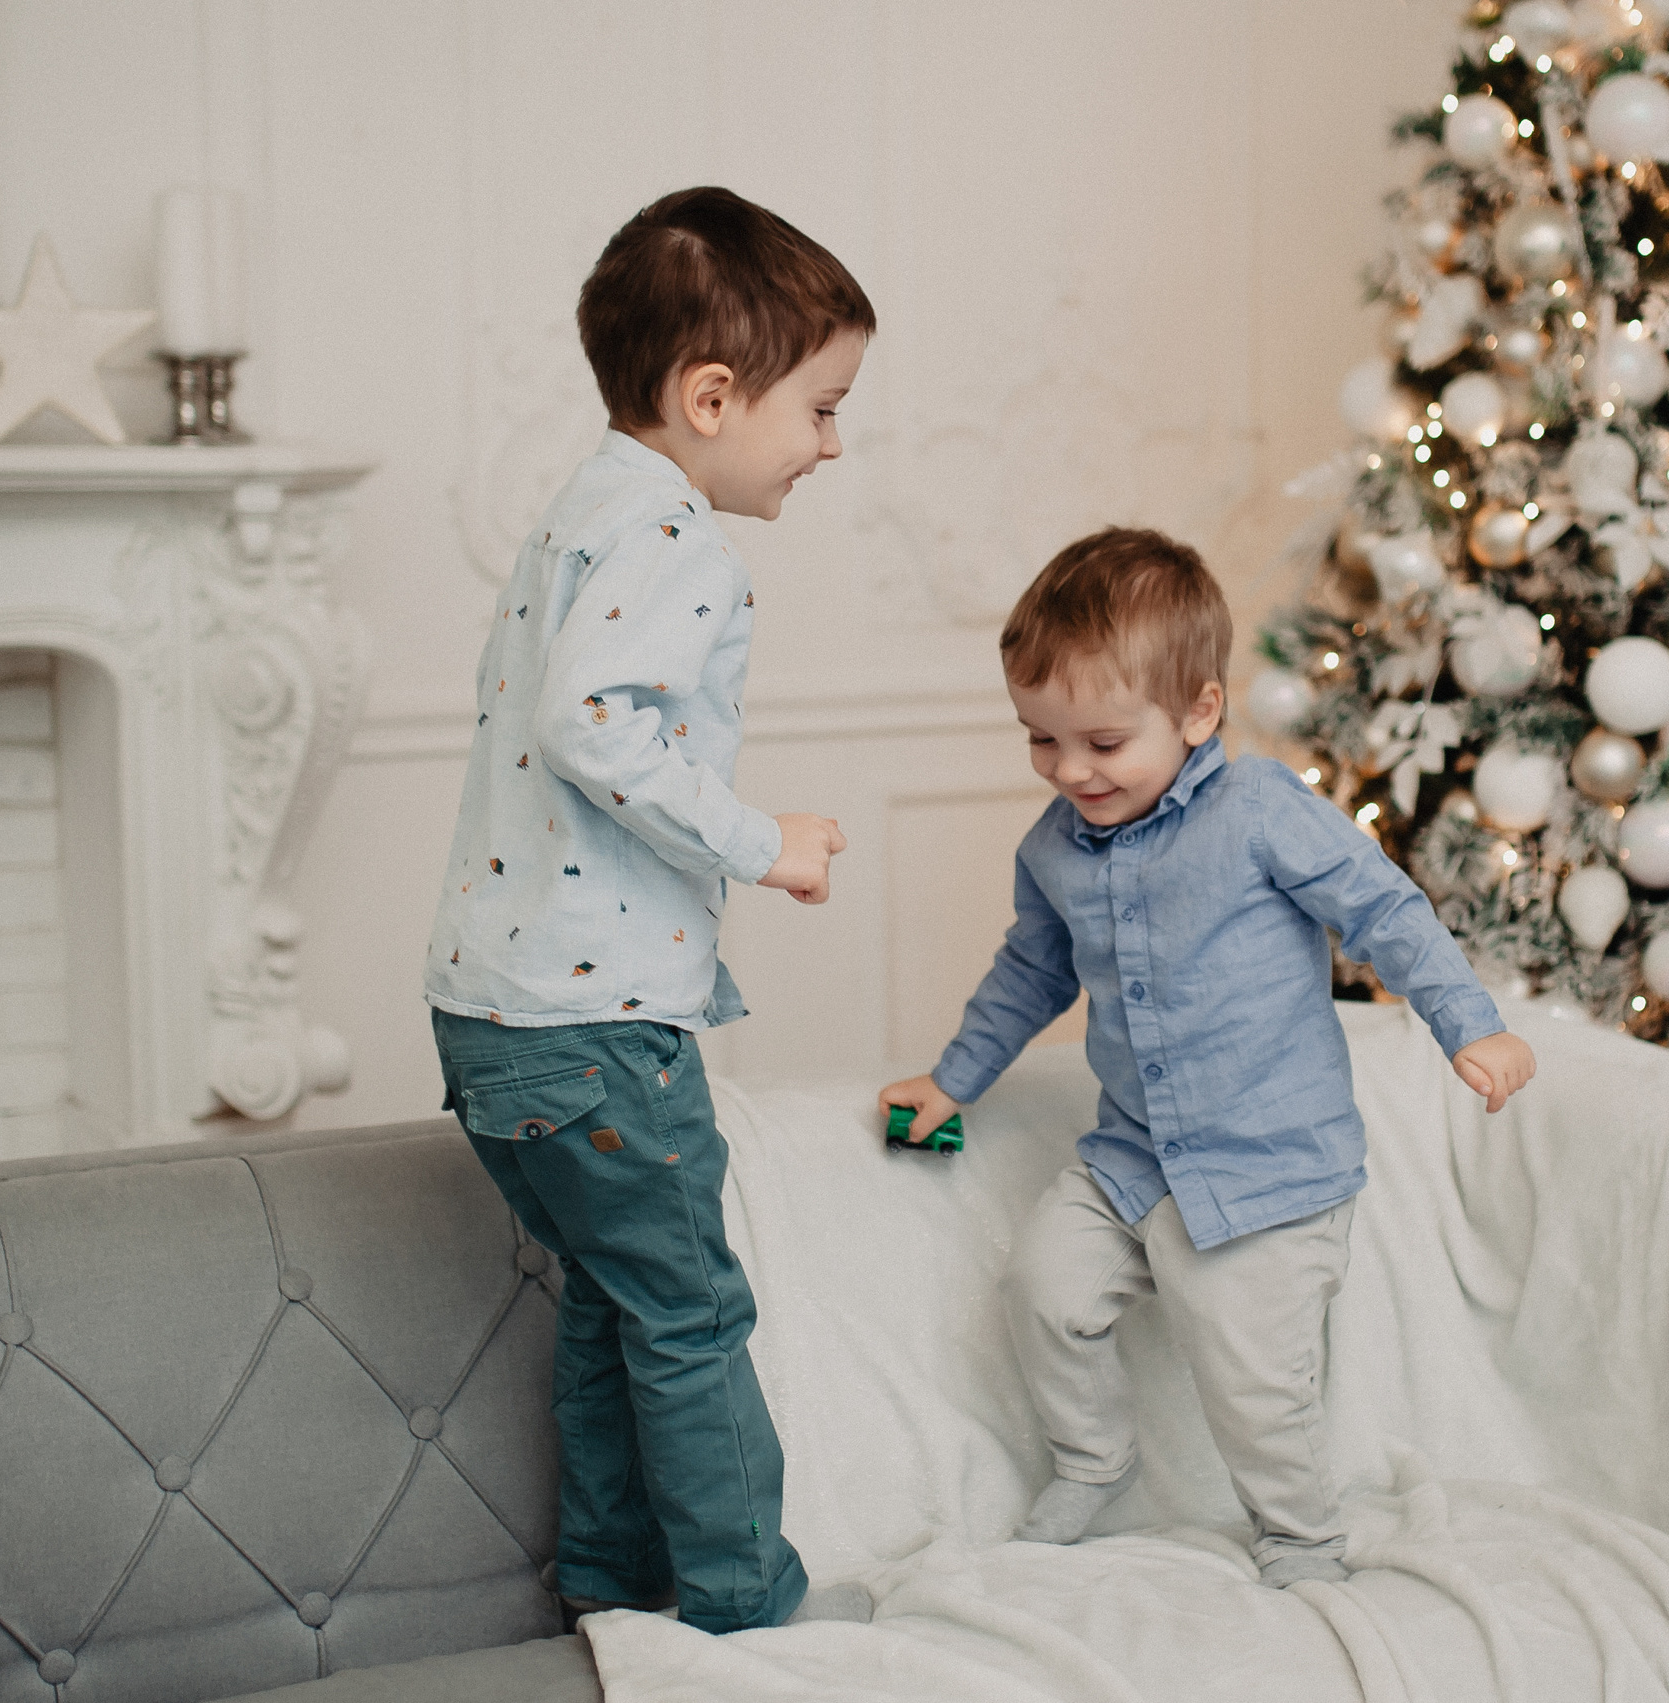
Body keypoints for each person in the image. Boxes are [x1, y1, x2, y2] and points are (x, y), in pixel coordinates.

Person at [879, 528, 1536, 1588]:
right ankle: (1094, 1459)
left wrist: (1473, 1024)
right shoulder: (1052, 847)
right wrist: (951, 1079)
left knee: (1254, 1377)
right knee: (1040, 1285)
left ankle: (1302, 1538)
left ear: (1198, 712)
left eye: (1100, 741)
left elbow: (1385, 912)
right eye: (1040, 740)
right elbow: (1028, 976)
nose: (1068, 770)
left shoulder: (1259, 813)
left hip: (1267, 1163)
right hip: (1133, 1153)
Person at [423, 186, 872, 1633]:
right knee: (690, 1313)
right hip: (597, 1026)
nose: (831, 443)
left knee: (617, 1310)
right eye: (820, 407)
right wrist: (766, 842)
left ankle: (613, 1587)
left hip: (492, 1020)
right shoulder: (675, 532)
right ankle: (752, 1606)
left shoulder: (579, 511)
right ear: (711, 392)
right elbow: (593, 722)